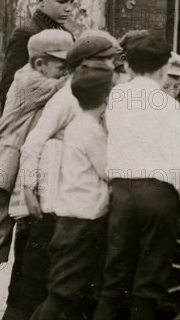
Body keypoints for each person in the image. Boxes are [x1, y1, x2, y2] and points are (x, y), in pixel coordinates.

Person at [0, 29, 72, 320]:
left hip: (15, 170)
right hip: (2, 170)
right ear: (39, 64)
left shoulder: (41, 75)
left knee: (18, 247)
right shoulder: (29, 80)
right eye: (61, 65)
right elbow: (70, 86)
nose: (66, 70)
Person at [4, 32, 118, 320]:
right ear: (84, 63)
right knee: (36, 278)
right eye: (103, 60)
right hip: (54, 202)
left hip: (67, 199)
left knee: (58, 284)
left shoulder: (90, 91)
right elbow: (34, 141)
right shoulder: (69, 97)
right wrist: (30, 188)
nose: (110, 66)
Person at [93, 33, 180, 320]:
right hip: (158, 195)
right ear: (163, 68)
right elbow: (178, 158)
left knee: (113, 281)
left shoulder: (116, 98)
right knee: (148, 283)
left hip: (122, 194)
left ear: (129, 67)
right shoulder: (168, 105)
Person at [30, 63, 113, 320]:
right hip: (84, 222)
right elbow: (109, 171)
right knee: (61, 294)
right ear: (105, 97)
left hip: (71, 219)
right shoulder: (93, 132)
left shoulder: (77, 125)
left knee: (67, 291)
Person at [0, 0, 79, 113]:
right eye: (62, 1)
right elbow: (6, 91)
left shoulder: (66, 35)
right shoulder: (26, 34)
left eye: (72, 2)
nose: (69, 8)